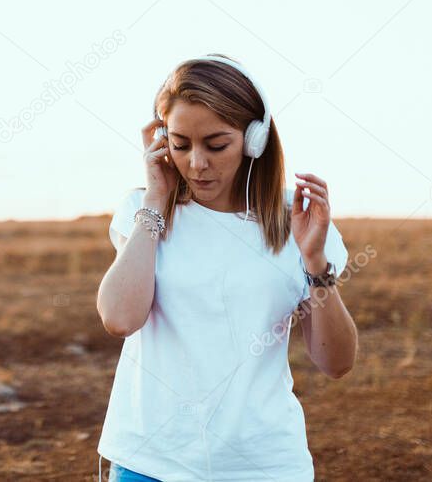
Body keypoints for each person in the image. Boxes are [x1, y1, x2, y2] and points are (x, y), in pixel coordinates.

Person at [95, 54, 359, 482]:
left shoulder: (298, 220)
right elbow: (119, 317)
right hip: (151, 461)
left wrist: (315, 264)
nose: (197, 163)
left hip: (265, 465)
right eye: (180, 144)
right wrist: (155, 203)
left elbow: (336, 363)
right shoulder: (143, 212)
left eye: (216, 145)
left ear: (254, 140)